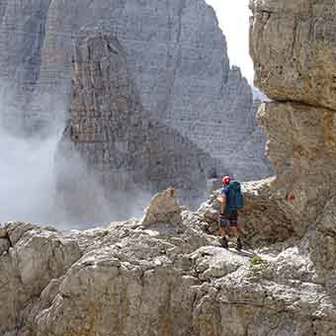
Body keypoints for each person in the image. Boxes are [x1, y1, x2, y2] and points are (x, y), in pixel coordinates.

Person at [216, 175, 244, 250]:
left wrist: (222, 211)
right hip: (234, 211)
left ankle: (224, 242)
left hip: (226, 211)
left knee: (222, 226)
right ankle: (239, 242)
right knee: (233, 226)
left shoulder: (225, 190)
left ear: (224, 183)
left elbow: (223, 201)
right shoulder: (235, 190)